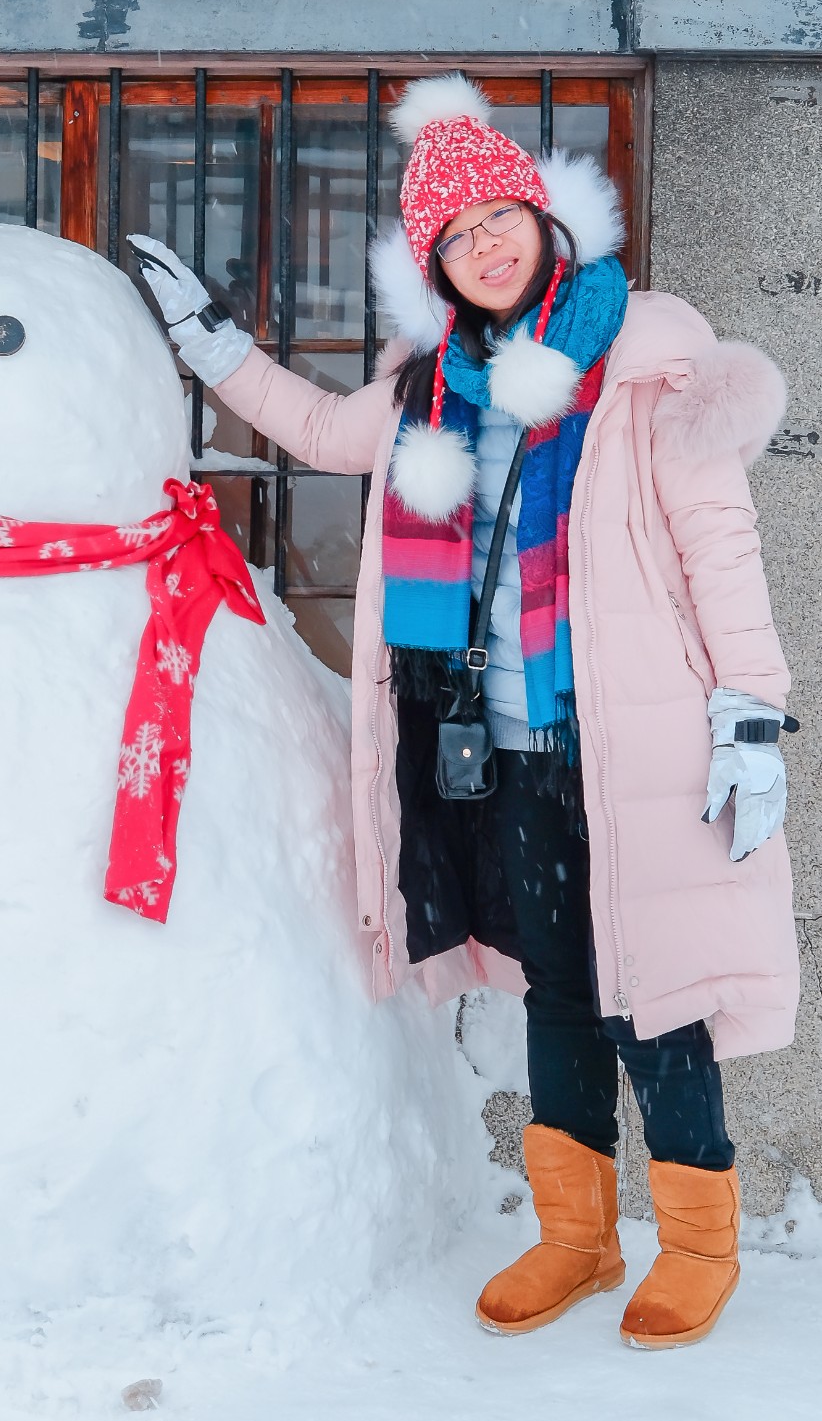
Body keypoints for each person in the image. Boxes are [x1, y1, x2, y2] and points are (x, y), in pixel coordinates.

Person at [131, 71, 798, 1352]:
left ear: (543, 221)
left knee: (648, 997)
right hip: (500, 751)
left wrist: (748, 710)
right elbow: (327, 430)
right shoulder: (433, 384)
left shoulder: (641, 358)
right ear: (434, 267)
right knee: (554, 988)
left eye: (498, 217)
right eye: (453, 237)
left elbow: (719, 544)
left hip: (633, 744)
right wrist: (218, 349)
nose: (483, 245)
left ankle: (697, 1244)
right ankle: (576, 1234)